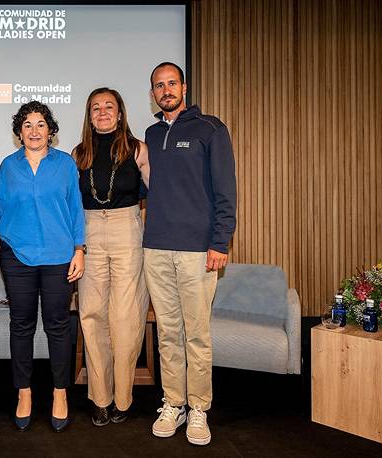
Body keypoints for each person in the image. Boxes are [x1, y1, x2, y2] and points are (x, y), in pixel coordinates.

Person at [143, 62, 237, 446]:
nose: (166, 90)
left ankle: (199, 408)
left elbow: (226, 192)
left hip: (199, 250)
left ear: (184, 86)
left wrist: (220, 242)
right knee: (167, 333)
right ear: (153, 93)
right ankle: (174, 403)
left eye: (171, 83)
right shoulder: (149, 134)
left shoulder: (210, 129)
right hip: (156, 248)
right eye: (158, 86)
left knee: (196, 334)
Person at [0, 101, 84, 432]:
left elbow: (76, 208)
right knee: (21, 325)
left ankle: (60, 394)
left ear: (51, 130)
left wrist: (79, 249)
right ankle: (24, 393)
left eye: (41, 124)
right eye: (28, 125)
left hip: (60, 257)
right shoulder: (8, 166)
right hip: (17, 256)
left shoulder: (64, 165)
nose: (34, 130)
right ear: (20, 132)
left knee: (58, 326)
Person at [73, 88, 150, 427]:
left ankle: (123, 398)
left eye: (109, 107)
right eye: (96, 108)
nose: (102, 112)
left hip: (126, 229)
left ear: (120, 113)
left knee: (126, 316)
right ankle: (100, 398)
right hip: (89, 231)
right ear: (89, 116)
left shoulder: (138, 150)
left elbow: (160, 195)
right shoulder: (77, 154)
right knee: (91, 314)